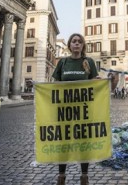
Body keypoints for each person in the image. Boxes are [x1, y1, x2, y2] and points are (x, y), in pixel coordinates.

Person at [51, 33, 99, 185]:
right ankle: (61, 175)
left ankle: (84, 175)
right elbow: (55, 84)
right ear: (70, 45)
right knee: (63, 142)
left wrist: (101, 81)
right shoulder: (63, 62)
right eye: (74, 41)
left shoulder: (89, 62)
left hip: (84, 111)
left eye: (79, 42)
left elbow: (94, 84)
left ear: (83, 45)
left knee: (84, 142)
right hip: (64, 110)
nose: (76, 44)